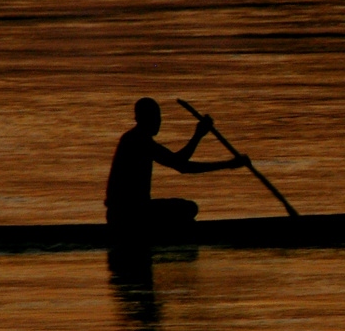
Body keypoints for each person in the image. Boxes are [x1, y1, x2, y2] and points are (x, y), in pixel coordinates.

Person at [105, 97, 250, 233]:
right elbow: (182, 165)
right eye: (153, 117)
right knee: (189, 208)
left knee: (186, 209)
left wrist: (199, 137)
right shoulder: (139, 141)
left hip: (127, 213)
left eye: (158, 117)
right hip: (128, 215)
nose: (158, 122)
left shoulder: (136, 139)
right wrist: (200, 138)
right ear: (140, 119)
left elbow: (180, 163)